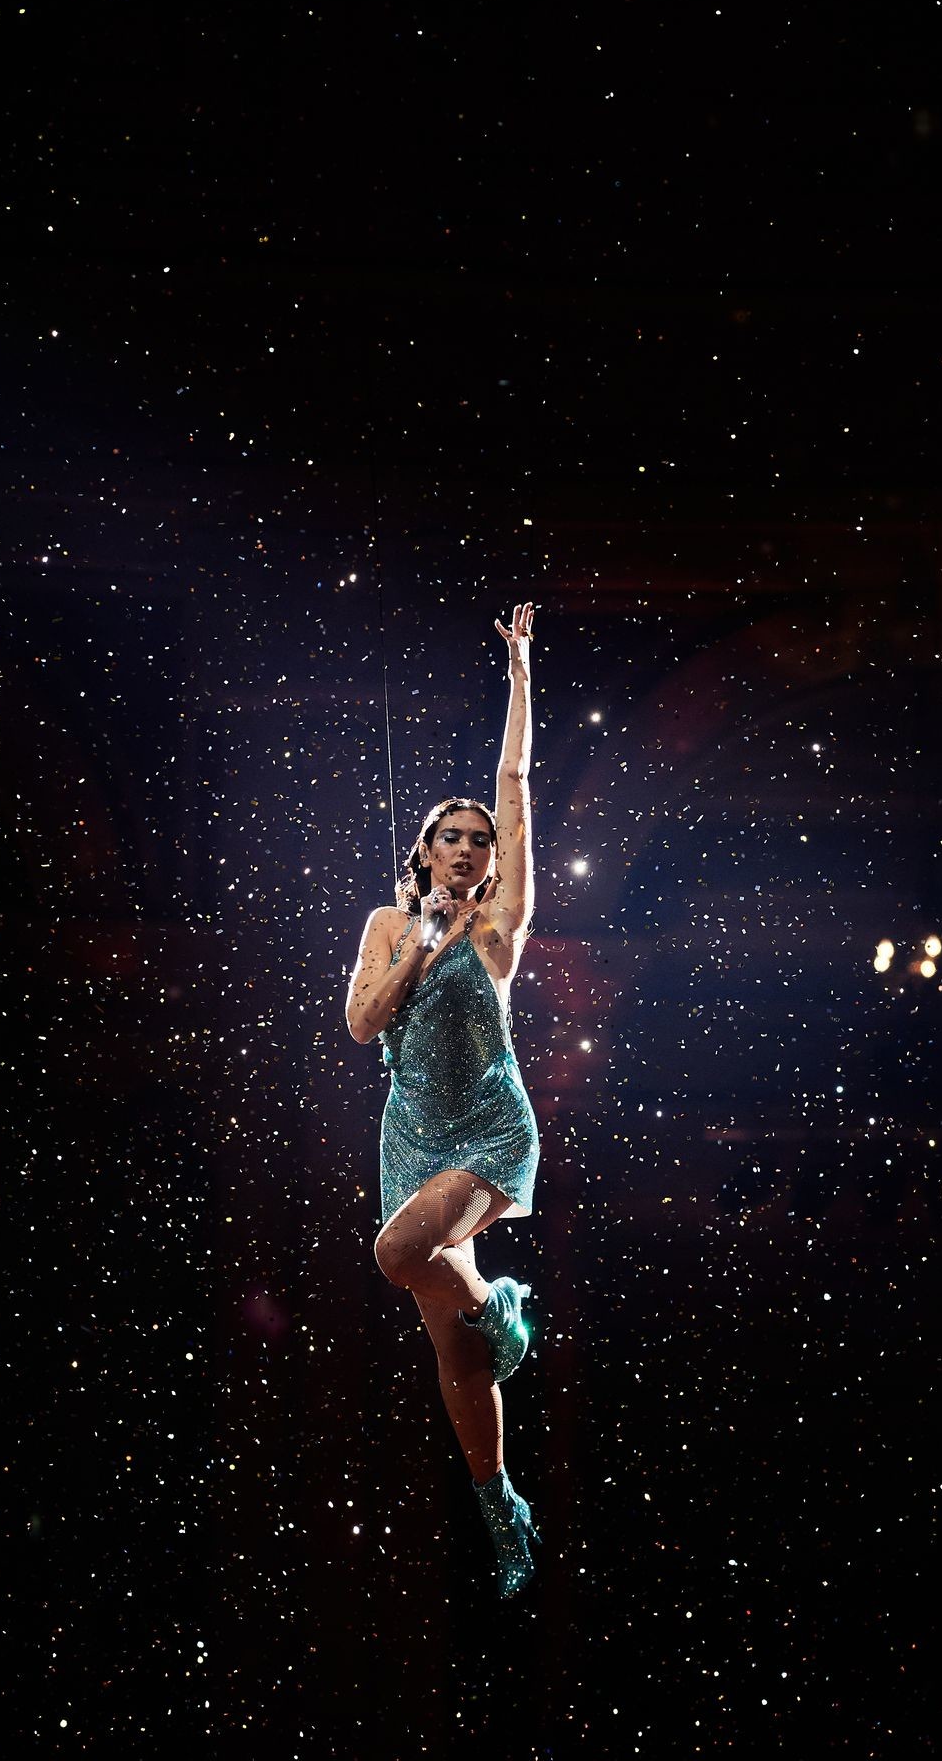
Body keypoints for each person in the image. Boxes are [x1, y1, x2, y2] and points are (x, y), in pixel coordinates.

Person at [345, 602, 541, 1599]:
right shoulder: (392, 924)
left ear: (494, 858)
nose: (467, 849)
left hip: (489, 1132)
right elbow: (362, 1025)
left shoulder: (501, 926)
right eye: (450, 839)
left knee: (394, 1256)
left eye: (479, 841)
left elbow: (514, 783)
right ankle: (500, 1509)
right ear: (425, 852)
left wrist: (518, 676)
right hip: (410, 1138)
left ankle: (504, 1307)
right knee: (452, 1348)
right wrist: (418, 942)